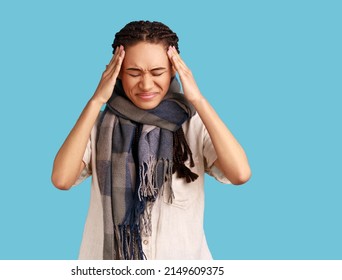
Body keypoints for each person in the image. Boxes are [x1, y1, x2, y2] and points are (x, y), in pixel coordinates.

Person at [51, 20, 251, 260]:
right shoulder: (98, 125)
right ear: (117, 72)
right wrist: (95, 101)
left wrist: (198, 100)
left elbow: (239, 174)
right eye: (133, 73)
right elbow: (62, 179)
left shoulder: (194, 124)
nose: (146, 84)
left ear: (174, 70)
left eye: (157, 72)